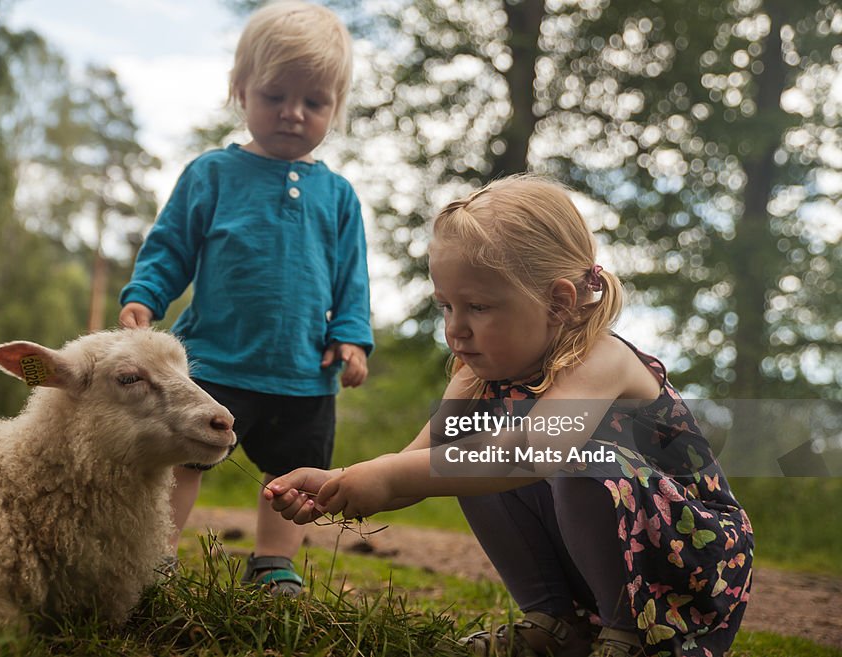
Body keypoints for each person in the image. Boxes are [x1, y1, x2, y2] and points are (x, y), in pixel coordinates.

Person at [265, 175, 753, 656]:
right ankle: (557, 625)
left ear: (559, 302)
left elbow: (532, 451)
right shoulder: (476, 376)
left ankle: (633, 638)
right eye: (446, 306)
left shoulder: (600, 360)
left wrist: (390, 476)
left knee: (561, 458)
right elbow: (420, 464)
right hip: (609, 560)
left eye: (478, 306)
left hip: (693, 560)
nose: (456, 329)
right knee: (463, 456)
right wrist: (341, 482)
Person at [118, 0, 372, 596]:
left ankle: (273, 563)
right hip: (215, 363)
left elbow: (352, 280)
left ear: (335, 108)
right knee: (185, 458)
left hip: (305, 375)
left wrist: (353, 337)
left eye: (314, 102)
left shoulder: (338, 196)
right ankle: (156, 557)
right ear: (240, 91)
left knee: (291, 475)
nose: (292, 113)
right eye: (275, 95)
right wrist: (144, 297)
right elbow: (170, 247)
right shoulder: (212, 175)